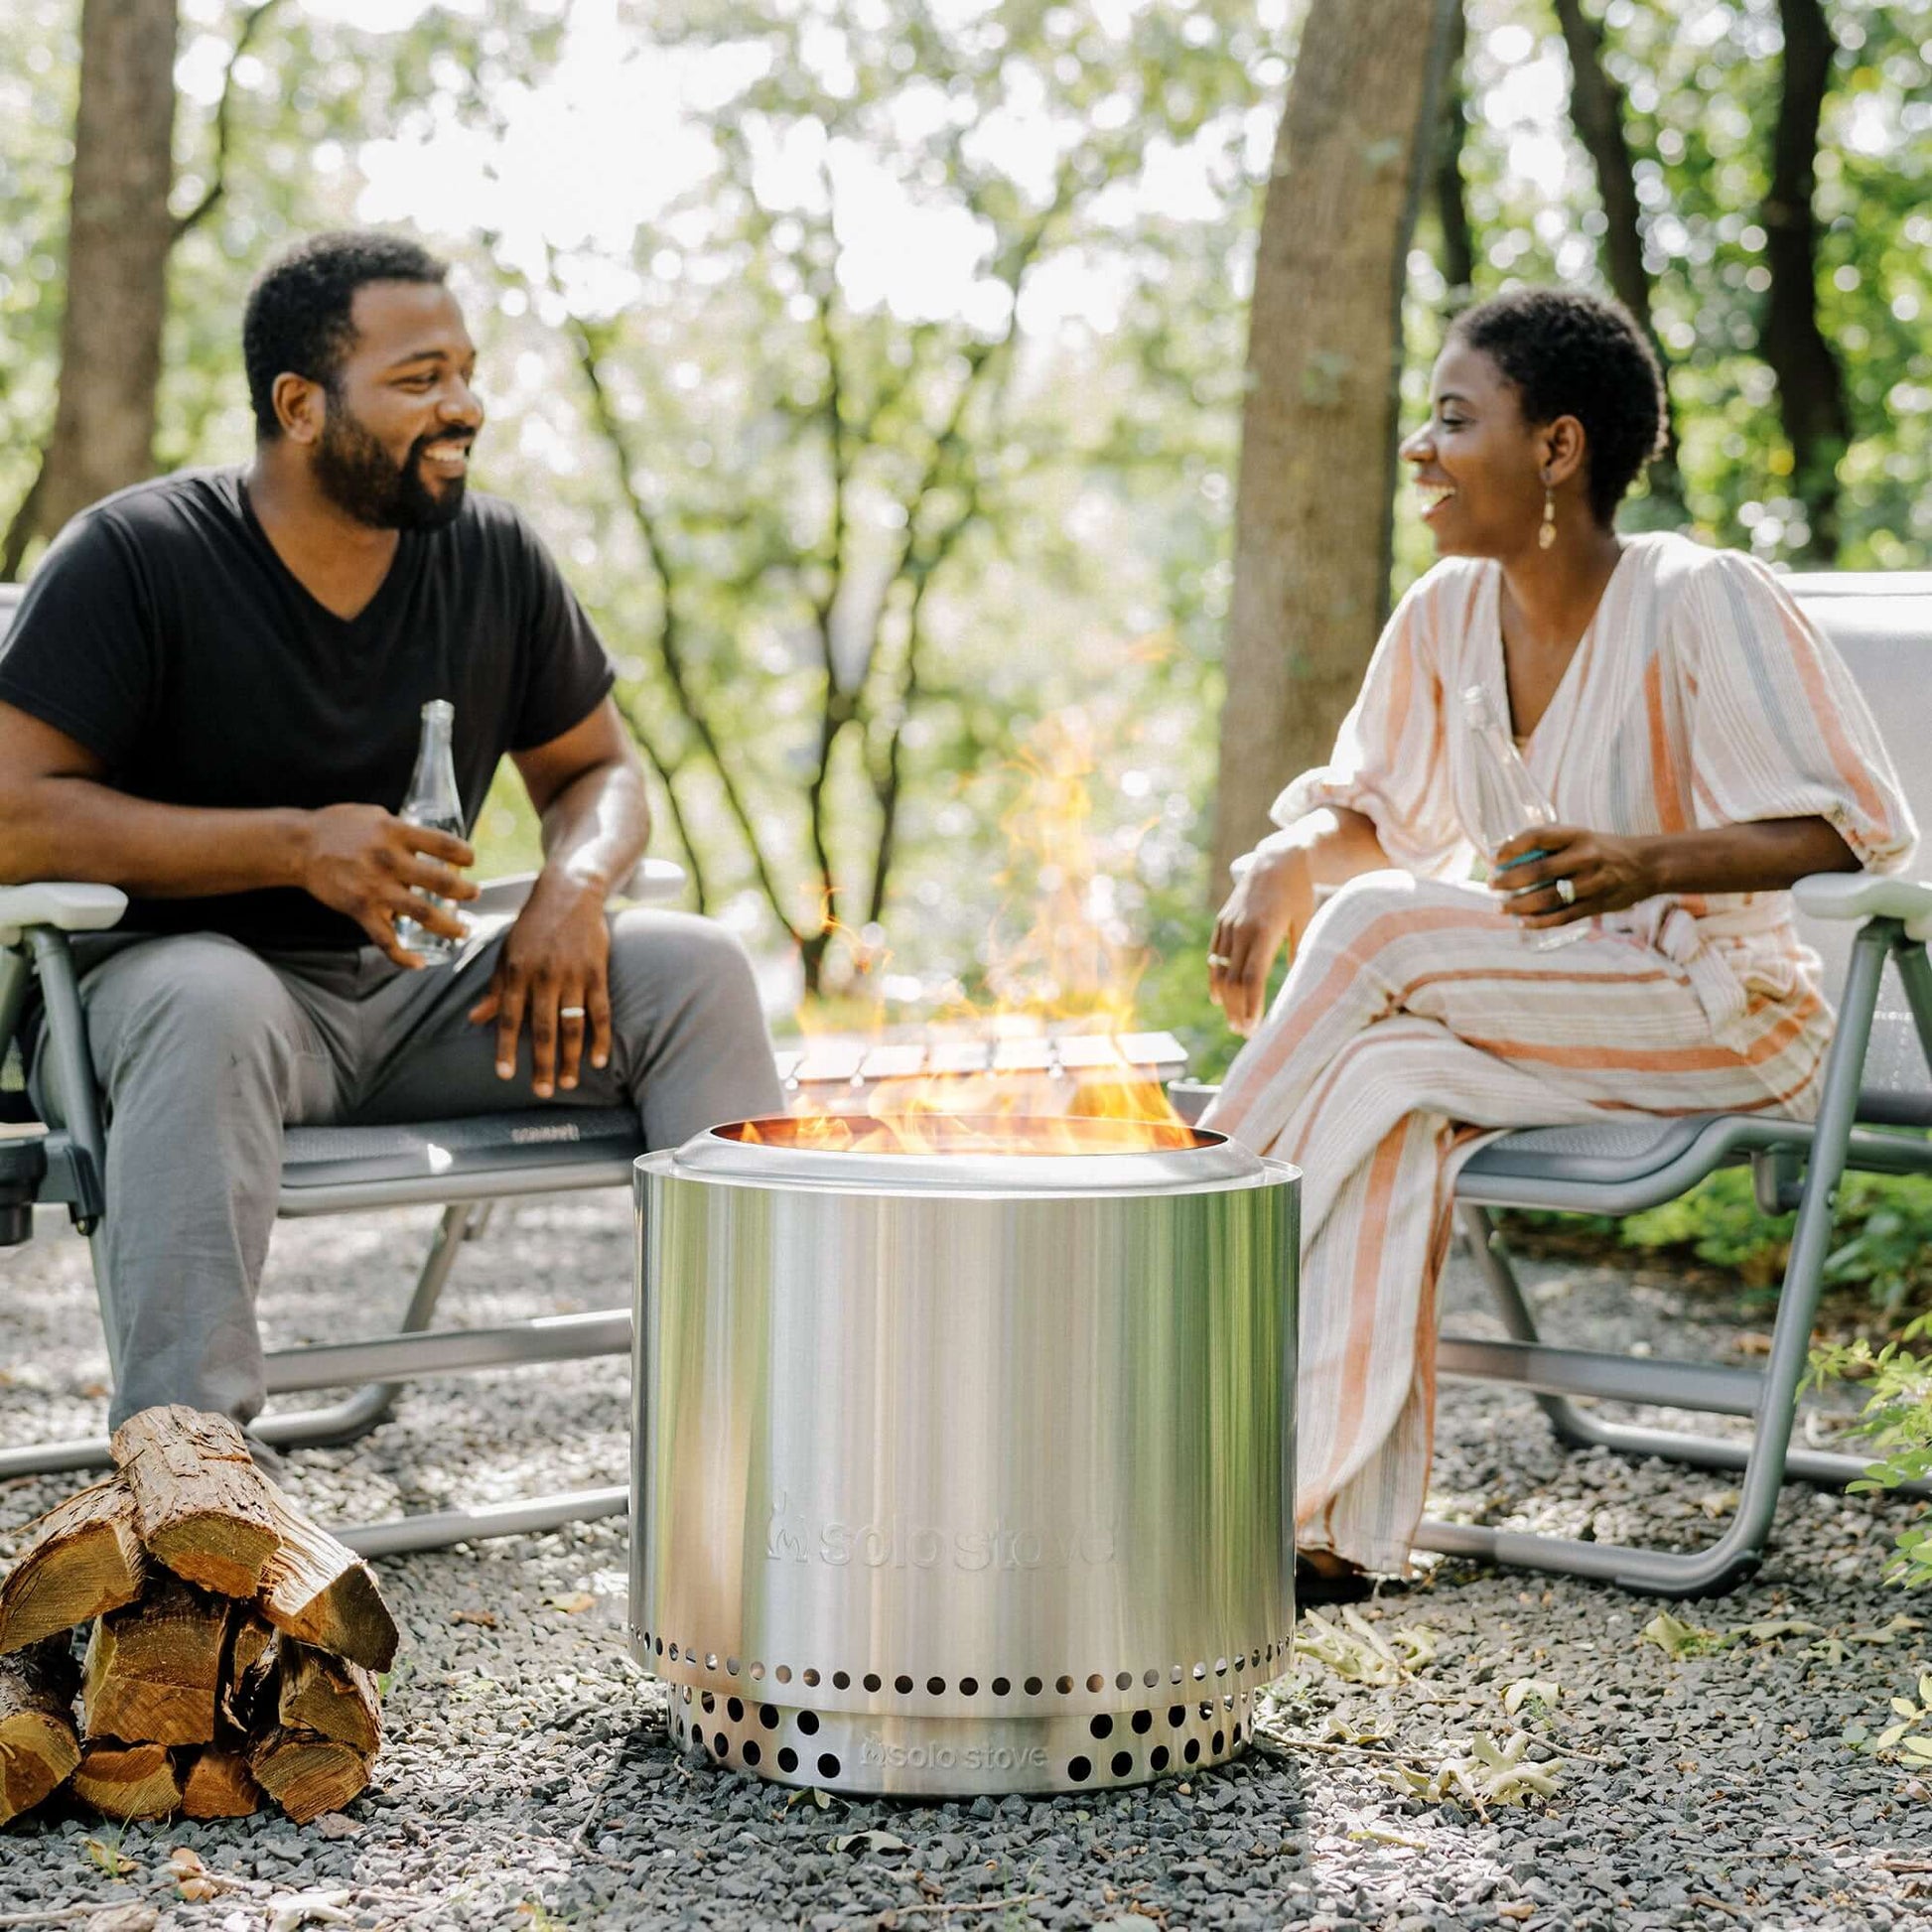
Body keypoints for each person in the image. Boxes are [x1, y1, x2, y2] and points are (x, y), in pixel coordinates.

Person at [0, 230, 782, 1435]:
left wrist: (569, 888)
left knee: (691, 964)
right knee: (211, 996)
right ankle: (190, 1491)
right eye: (419, 379)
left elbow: (599, 770)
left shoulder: (497, 556)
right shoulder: (139, 555)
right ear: (301, 405)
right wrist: (293, 844)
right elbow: (10, 814)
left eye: (465, 371)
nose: (462, 406)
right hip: (174, 1011)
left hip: (422, 998)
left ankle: (761, 1423)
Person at [1201, 286, 1916, 1592]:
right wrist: (1276, 855)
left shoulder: (1700, 594)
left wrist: (1647, 860)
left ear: (1556, 447)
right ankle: (1320, 1526)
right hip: (1556, 1014)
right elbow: (1374, 826)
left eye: (1452, 416)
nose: (1418, 446)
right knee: (1382, 1083)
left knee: (1372, 939)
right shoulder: (1441, 618)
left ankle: (1173, 1235)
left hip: (1727, 1019)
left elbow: (1859, 828)